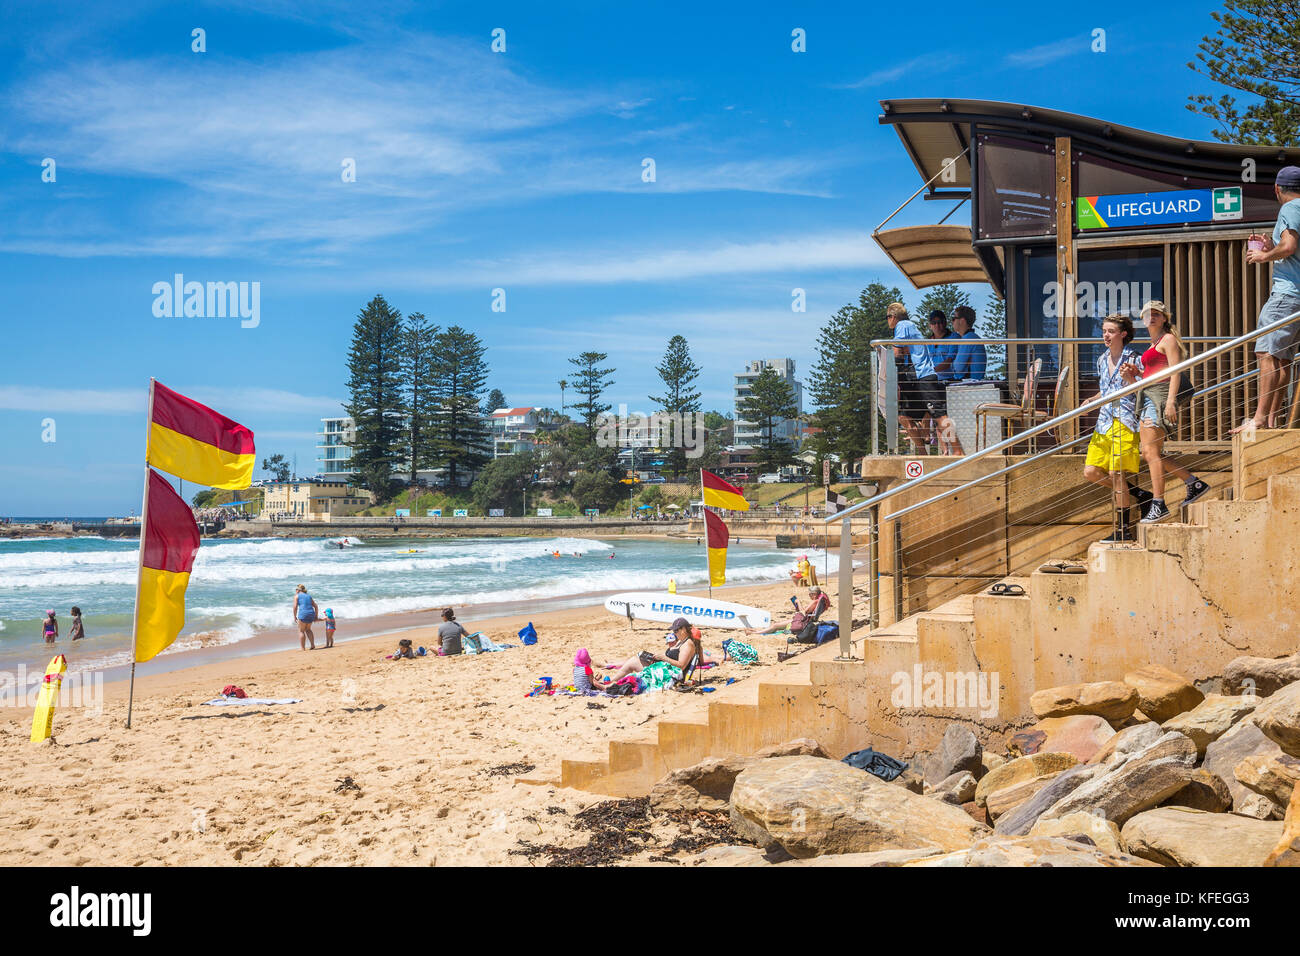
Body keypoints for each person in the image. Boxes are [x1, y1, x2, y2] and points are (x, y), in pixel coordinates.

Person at [1123, 301, 1212, 523]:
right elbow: (1154, 373)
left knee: (1151, 453)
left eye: (1156, 314)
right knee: (1150, 453)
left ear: (1164, 318)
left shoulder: (1168, 339)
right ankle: (1193, 483)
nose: (1151, 318)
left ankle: (1159, 504)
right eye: (1147, 315)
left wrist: (1171, 401)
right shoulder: (1153, 343)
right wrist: (1135, 374)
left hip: (1160, 399)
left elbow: (1176, 372)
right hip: (1149, 397)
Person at [1237, 166, 1300, 433]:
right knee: (1282, 358)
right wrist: (1269, 246)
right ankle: (1272, 421)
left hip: (1287, 294)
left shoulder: (1290, 208)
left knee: (1266, 353)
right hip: (1296, 298)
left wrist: (1263, 255)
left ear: (1277, 189)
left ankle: (1260, 418)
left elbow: (1289, 247)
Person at [1082, 314, 1144, 543]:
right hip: (1104, 422)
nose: (1105, 335)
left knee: (1115, 474)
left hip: (1125, 420)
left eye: (1110, 331)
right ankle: (1139, 494)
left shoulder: (1134, 358)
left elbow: (1144, 390)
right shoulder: (1101, 360)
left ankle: (1123, 530)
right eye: (1104, 331)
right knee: (1091, 472)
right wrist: (1092, 400)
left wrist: (1130, 379)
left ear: (1123, 334)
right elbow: (1106, 390)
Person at [888, 302, 964, 456]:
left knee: (939, 414)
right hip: (917, 377)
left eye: (888, 317)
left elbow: (897, 351)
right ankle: (922, 453)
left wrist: (891, 369)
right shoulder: (909, 326)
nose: (888, 321)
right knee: (904, 415)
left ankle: (957, 450)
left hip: (924, 376)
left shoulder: (902, 325)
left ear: (893, 316)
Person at [748, 586, 831, 635]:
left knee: (776, 625)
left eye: (810, 594)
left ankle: (756, 633)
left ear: (814, 594)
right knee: (777, 625)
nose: (809, 596)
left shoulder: (814, 602)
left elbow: (803, 613)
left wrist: (798, 602)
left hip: (803, 621)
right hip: (806, 620)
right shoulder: (818, 601)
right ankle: (758, 631)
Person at [950, 306, 987, 381]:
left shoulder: (968, 338)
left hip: (971, 385)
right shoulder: (972, 337)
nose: (952, 322)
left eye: (954, 319)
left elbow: (958, 368)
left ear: (962, 321)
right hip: (974, 383)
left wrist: (952, 365)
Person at [928, 311, 962, 382]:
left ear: (945, 323)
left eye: (939, 322)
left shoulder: (954, 337)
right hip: (932, 380)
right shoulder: (927, 342)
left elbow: (949, 361)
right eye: (934, 322)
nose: (937, 325)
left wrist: (930, 372)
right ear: (930, 325)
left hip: (950, 380)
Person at [293, 584, 319, 650]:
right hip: (311, 614)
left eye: (296, 589)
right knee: (308, 629)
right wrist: (316, 616)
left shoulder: (297, 596)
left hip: (303, 614)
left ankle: (302, 648)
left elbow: (295, 607)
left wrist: (294, 616)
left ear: (298, 590)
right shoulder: (309, 596)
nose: (295, 591)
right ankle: (312, 645)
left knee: (301, 631)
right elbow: (316, 606)